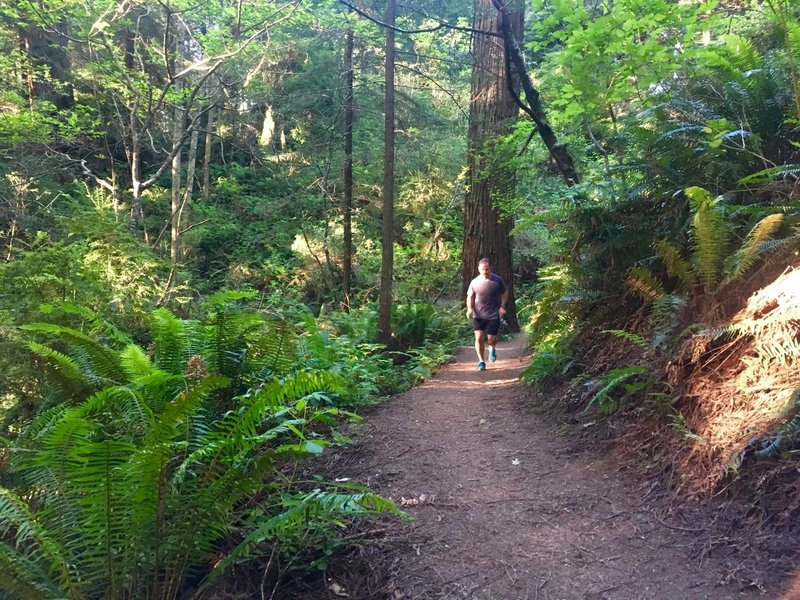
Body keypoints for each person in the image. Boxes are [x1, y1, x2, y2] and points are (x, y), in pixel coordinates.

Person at [465, 257, 508, 371]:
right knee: (478, 337)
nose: (485, 271)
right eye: (483, 269)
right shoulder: (474, 282)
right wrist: (469, 308)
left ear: (490, 268)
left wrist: (502, 306)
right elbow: (470, 296)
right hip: (478, 314)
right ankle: (481, 361)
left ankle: (492, 348)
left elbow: (504, 293)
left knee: (491, 339)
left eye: (487, 269)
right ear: (479, 269)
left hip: (493, 314)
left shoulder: (497, 280)